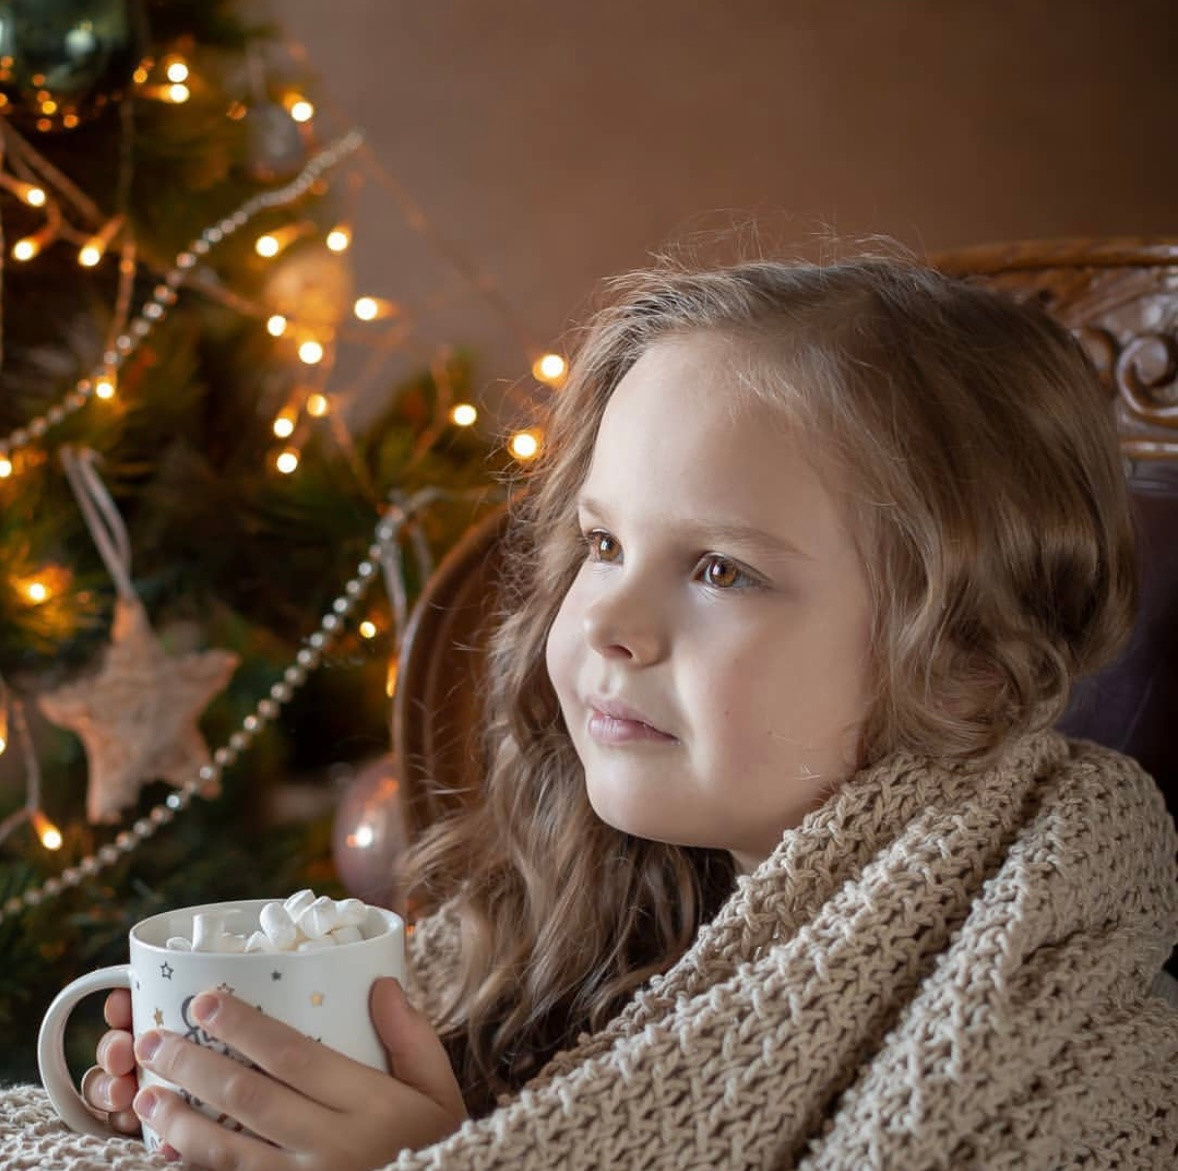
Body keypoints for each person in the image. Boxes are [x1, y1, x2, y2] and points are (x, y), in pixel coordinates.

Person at [52, 255, 1178, 1167]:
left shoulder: (1061, 1038)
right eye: (601, 543)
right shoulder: (582, 925)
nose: (604, 622)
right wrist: (242, 1109)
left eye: (721, 569)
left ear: (969, 663)